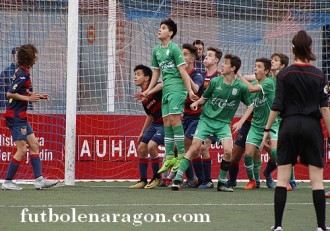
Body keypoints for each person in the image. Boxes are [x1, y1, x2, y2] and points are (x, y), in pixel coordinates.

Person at [260, 30, 330, 231]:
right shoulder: (319, 74)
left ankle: (278, 226)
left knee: (282, 178)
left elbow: (277, 105)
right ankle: (321, 227)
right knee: (317, 181)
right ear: (310, 49)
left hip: (289, 125)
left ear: (292, 49)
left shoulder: (284, 73)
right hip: (311, 127)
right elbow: (324, 107)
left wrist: (266, 129)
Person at [171, 54, 253, 192]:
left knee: (228, 151)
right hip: (206, 120)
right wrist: (196, 103)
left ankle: (221, 183)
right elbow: (204, 98)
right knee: (195, 147)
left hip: (223, 124)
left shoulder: (241, 87)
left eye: (225, 63)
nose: (222, 65)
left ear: (233, 68)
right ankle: (177, 179)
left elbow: (250, 106)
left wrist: (241, 121)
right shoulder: (215, 82)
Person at [143, 18, 197, 175]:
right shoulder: (156, 51)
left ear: (171, 33)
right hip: (166, 88)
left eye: (164, 28)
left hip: (177, 88)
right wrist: (148, 91)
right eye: (160, 27)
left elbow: (183, 72)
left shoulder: (174, 49)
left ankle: (180, 155)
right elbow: (156, 72)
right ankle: (170, 157)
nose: (160, 30)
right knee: (166, 120)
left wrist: (190, 91)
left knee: (174, 119)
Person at [1, 44, 59, 190]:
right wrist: (28, 99)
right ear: (29, 56)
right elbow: (9, 93)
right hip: (15, 117)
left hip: (20, 116)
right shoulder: (22, 74)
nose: (37, 56)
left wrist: (36, 96)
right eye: (35, 54)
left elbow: (22, 92)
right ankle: (7, 182)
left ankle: (39, 180)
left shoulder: (24, 71)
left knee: (34, 145)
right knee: (22, 150)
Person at [238, 58, 279, 190]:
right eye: (255, 66)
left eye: (259, 67)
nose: (256, 69)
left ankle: (286, 180)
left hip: (272, 124)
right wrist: (242, 120)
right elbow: (251, 105)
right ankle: (253, 181)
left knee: (275, 151)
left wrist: (238, 75)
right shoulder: (255, 83)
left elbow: (250, 88)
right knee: (248, 153)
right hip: (256, 125)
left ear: (266, 71)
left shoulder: (268, 83)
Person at [130, 65, 164, 189]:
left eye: (138, 74)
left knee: (152, 146)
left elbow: (163, 85)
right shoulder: (143, 98)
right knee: (142, 148)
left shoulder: (154, 87)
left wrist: (147, 91)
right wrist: (142, 132)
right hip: (155, 123)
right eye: (135, 74)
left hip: (166, 124)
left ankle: (157, 178)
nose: (135, 77)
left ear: (147, 78)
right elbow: (150, 115)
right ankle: (143, 180)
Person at [179, 43, 204, 188]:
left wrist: (185, 76)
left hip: (198, 117)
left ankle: (198, 179)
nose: (182, 57)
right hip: (185, 116)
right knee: (182, 148)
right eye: (181, 53)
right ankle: (194, 178)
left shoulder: (197, 75)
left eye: (185, 54)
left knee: (187, 147)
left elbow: (195, 89)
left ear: (192, 59)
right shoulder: (179, 74)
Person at [197, 47, 222, 189]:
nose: (206, 57)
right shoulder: (203, 77)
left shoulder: (219, 77)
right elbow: (201, 96)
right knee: (198, 147)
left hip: (218, 120)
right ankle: (202, 180)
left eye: (210, 55)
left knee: (204, 145)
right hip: (205, 119)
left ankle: (210, 180)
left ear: (217, 60)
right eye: (206, 55)